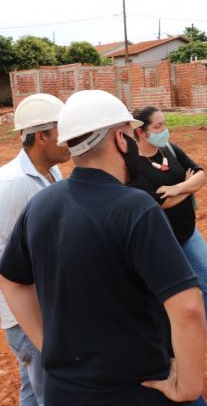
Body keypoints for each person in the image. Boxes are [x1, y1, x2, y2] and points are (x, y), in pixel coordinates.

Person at [0, 89, 207, 405]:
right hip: (136, 389)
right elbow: (188, 308)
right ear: (121, 139)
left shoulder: (41, 203)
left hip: (64, 392)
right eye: (130, 135)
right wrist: (189, 388)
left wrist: (48, 346)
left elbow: (12, 280)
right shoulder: (136, 208)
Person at [129, 105, 207, 359]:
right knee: (172, 298)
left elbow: (201, 175)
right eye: (158, 126)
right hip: (161, 241)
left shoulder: (169, 150)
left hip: (187, 231)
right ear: (140, 131)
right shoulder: (133, 166)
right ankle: (169, 357)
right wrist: (188, 187)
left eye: (164, 123)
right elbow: (159, 203)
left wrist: (178, 188)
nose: (164, 130)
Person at [0, 93, 70, 406]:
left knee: (32, 389)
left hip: (42, 305)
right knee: (50, 394)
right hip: (26, 315)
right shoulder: (12, 185)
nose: (69, 139)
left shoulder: (52, 173)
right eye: (62, 132)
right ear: (41, 137)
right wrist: (23, 318)